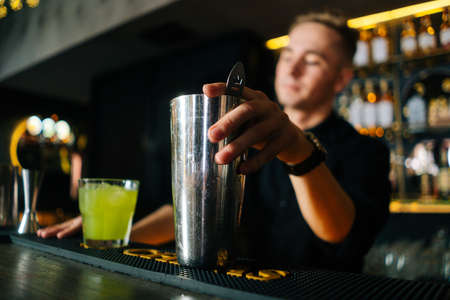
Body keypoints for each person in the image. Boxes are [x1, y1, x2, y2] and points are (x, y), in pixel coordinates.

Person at [37, 11, 390, 273]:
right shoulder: (246, 135)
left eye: (312, 60)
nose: (292, 68)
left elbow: (342, 234)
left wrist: (299, 152)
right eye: (289, 53)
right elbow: (194, 207)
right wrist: (117, 233)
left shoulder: (366, 151)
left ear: (341, 79)